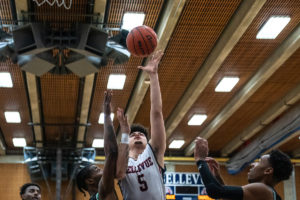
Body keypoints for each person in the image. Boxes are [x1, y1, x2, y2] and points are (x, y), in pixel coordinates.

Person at [117, 50, 166, 200]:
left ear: (147, 140)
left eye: (142, 135)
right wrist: (125, 132)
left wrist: (153, 76)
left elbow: (157, 113)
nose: (137, 135)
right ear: (127, 141)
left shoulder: (154, 152)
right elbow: (119, 174)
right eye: (133, 135)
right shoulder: (123, 159)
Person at [194, 137, 293, 200]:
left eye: (259, 162)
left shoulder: (263, 189)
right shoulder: (266, 193)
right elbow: (226, 196)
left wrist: (200, 160)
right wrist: (217, 177)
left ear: (268, 171)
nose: (253, 164)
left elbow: (214, 191)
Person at [76, 91, 129, 200]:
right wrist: (107, 115)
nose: (102, 169)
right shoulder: (103, 192)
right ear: (90, 181)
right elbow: (112, 153)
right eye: (97, 169)